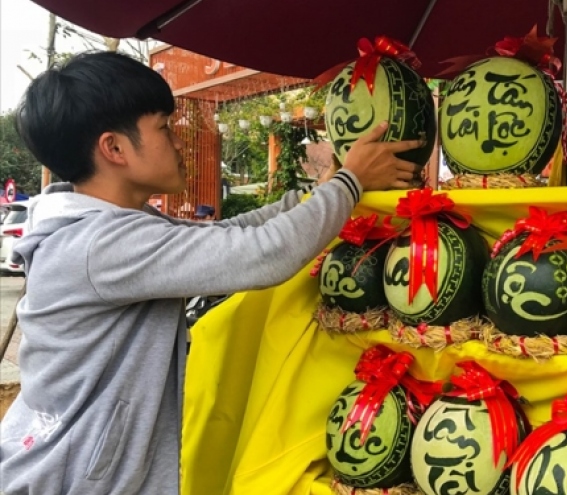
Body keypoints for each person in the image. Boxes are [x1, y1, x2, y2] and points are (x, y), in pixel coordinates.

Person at [0, 51, 420, 494]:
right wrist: (349, 183)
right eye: (163, 127)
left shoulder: (115, 229)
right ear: (115, 148)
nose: (178, 139)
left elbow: (229, 234)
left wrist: (321, 193)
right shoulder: (98, 245)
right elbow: (264, 254)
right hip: (70, 480)